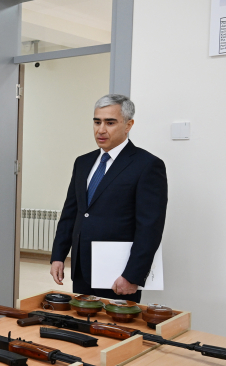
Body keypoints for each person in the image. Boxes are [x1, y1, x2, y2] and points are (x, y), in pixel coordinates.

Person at [49, 94, 167, 303]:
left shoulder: (147, 165)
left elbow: (150, 227)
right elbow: (71, 213)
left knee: (113, 324)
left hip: (118, 274)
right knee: (82, 321)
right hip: (82, 269)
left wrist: (133, 275)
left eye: (110, 123)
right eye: (97, 122)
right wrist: (58, 255)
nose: (101, 130)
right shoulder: (83, 163)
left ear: (128, 125)